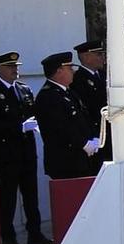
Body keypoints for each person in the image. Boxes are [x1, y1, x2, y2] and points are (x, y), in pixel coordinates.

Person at [0, 51, 49, 244]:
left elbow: (32, 113)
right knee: (7, 197)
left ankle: (34, 233)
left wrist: (33, 123)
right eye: (10, 67)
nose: (14, 70)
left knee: (31, 195)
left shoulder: (24, 90)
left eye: (16, 67)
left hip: (27, 150)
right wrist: (18, 127)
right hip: (6, 153)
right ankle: (8, 237)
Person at [34, 51, 98, 181]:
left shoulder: (68, 92)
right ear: (59, 71)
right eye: (69, 68)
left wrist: (93, 138)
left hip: (80, 159)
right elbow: (61, 126)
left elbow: (83, 118)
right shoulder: (48, 96)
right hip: (65, 161)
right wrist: (84, 144)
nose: (73, 72)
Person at [72, 39, 109, 163]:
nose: (103, 57)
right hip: (93, 135)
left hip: (107, 133)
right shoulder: (77, 80)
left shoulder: (105, 76)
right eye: (99, 54)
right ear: (86, 57)